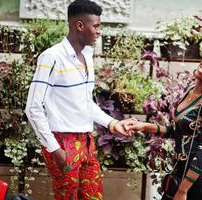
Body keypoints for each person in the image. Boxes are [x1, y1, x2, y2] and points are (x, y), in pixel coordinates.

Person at [25, 0, 131, 199]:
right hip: (62, 142)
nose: (99, 31)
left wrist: (112, 122)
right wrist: (55, 149)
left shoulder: (87, 56)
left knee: (93, 197)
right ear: (80, 25)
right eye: (96, 26)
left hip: (87, 141)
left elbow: (84, 103)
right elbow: (33, 107)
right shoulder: (52, 57)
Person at [128, 52, 202, 200]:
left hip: (199, 176)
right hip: (180, 170)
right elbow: (176, 132)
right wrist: (144, 126)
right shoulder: (189, 90)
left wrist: (183, 190)